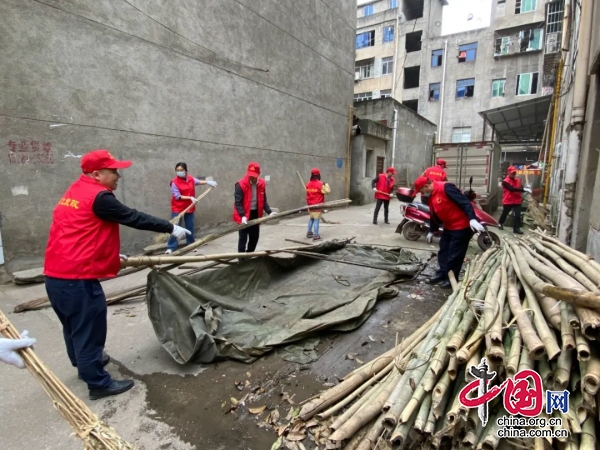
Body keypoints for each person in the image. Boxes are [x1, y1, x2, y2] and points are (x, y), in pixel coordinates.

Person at [44, 149, 191, 400]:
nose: (118, 175)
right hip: (77, 279)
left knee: (73, 326)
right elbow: (132, 217)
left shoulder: (75, 191)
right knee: (90, 327)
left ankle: (84, 365)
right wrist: (170, 228)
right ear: (96, 173)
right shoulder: (100, 197)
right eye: (113, 171)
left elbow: (79, 233)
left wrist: (111, 257)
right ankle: (98, 383)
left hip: (55, 275)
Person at [413, 176, 485, 289]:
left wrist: (472, 218)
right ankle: (442, 273)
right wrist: (432, 230)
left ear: (426, 186)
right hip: (449, 226)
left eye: (421, 191)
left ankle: (451, 278)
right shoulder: (431, 195)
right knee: (444, 250)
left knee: (455, 254)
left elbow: (465, 202)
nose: (421, 194)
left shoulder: (446, 188)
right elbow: (434, 214)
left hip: (461, 226)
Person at [166, 162, 218, 254]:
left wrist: (208, 182)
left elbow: (197, 181)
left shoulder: (190, 178)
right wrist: (190, 198)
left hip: (189, 207)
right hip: (178, 208)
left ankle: (191, 244)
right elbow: (177, 196)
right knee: (175, 227)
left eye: (181, 170)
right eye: (177, 170)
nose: (179, 172)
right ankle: (171, 247)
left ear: (186, 171)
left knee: (190, 226)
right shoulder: (174, 182)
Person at [233, 162, 277, 254]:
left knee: (254, 237)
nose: (251, 178)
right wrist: (242, 216)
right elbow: (238, 202)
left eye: (254, 176)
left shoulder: (261, 184)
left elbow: (263, 200)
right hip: (244, 215)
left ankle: (249, 255)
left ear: (258, 174)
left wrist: (269, 212)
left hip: (255, 214)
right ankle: (241, 259)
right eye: (250, 175)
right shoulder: (240, 185)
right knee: (243, 238)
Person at [498, 166, 531, 235]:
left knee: (517, 215)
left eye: (514, 172)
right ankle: (500, 223)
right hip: (508, 200)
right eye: (512, 173)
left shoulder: (518, 180)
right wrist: (523, 189)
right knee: (505, 213)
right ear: (508, 173)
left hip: (517, 201)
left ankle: (516, 228)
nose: (514, 174)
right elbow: (511, 189)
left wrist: (526, 187)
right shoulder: (505, 181)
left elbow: (521, 188)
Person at [305, 168, 331, 241]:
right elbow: (327, 191)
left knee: (311, 219)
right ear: (318, 175)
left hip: (310, 205)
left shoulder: (308, 184)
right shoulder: (320, 184)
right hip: (318, 205)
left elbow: (307, 195)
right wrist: (326, 184)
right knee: (316, 220)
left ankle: (309, 232)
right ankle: (316, 235)